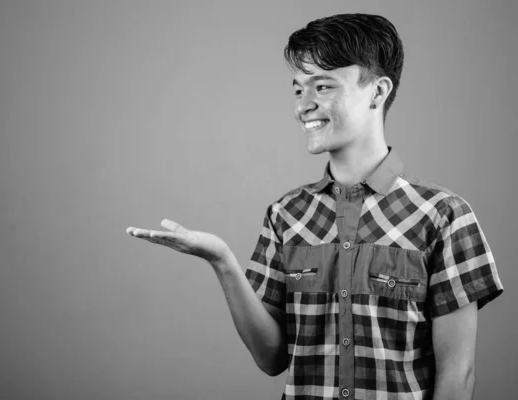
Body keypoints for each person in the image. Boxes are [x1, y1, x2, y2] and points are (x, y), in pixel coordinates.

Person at [126, 13, 503, 400]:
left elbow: (458, 375)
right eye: (297, 90)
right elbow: (270, 357)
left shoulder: (444, 216)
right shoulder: (285, 215)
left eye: (322, 86)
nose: (304, 106)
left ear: (378, 91)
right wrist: (222, 261)